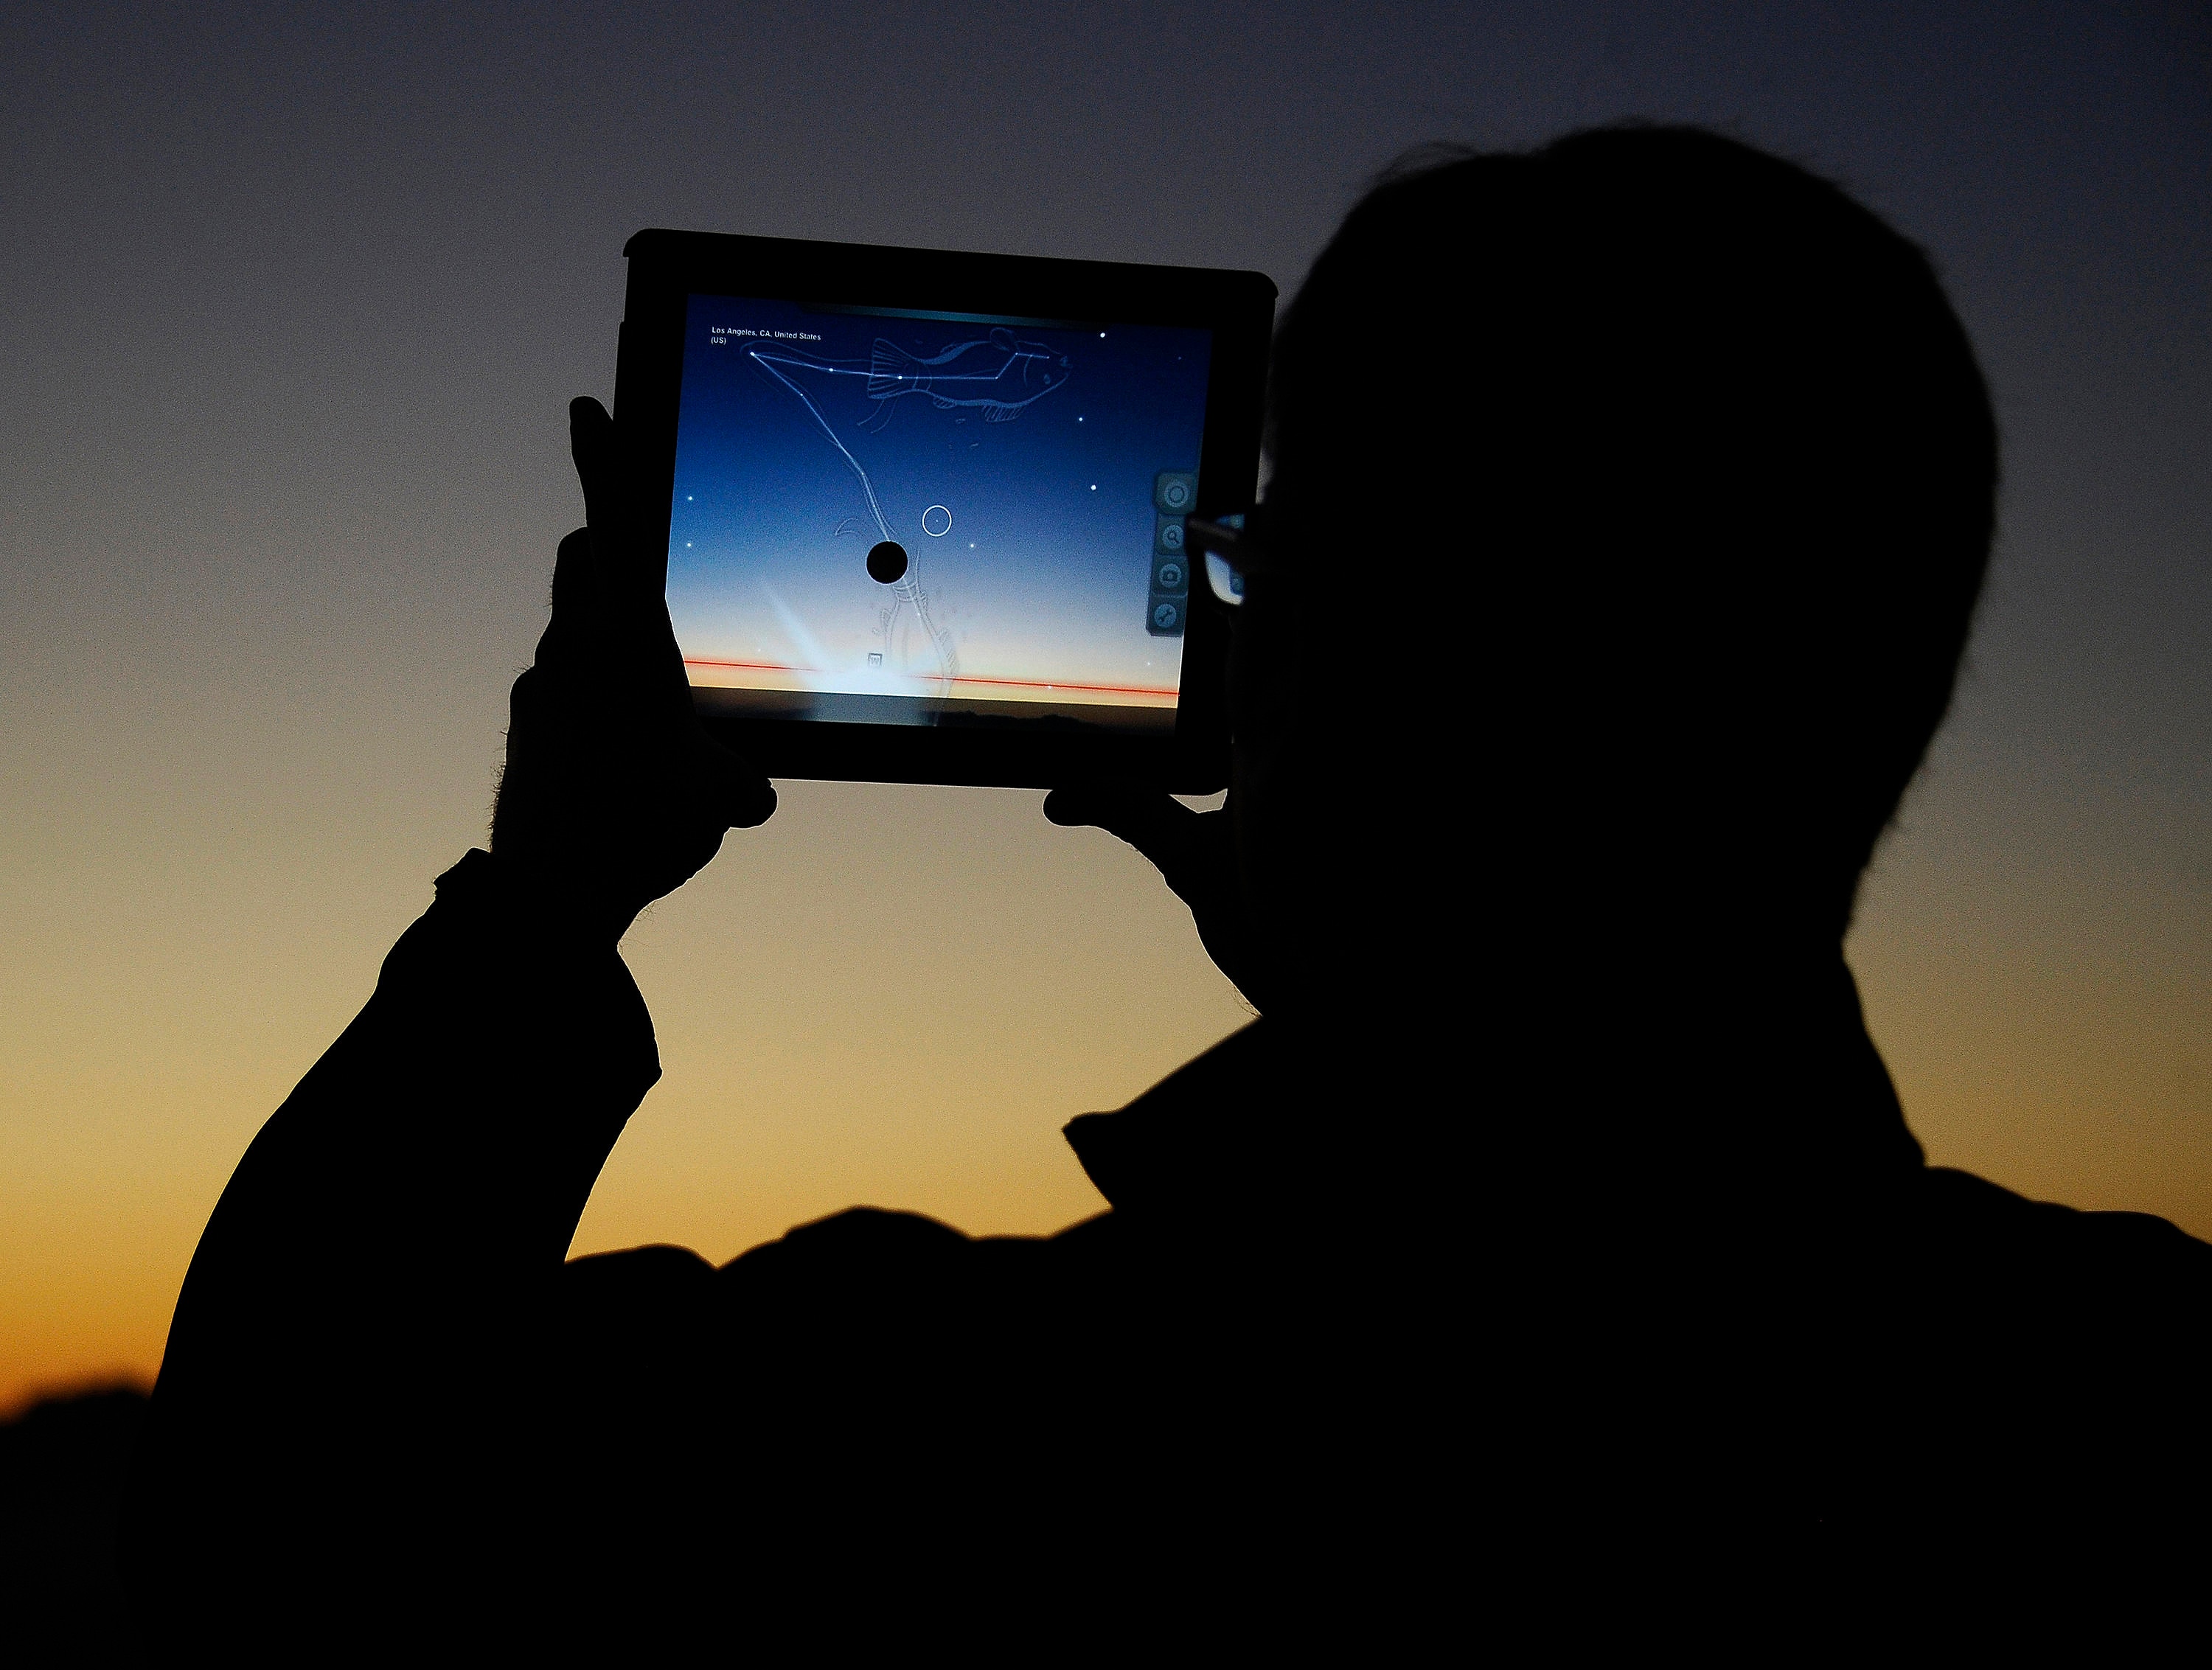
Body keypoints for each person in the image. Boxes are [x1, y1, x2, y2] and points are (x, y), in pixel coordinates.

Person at [123, 125, 2208, 1650]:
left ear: (1402, 664)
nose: (1228, 622)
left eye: (1263, 569)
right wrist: (1393, 990)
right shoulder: (2115, 1387)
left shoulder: (962, 1449)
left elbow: (264, 1510)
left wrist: (544, 900)